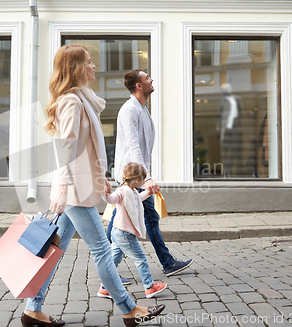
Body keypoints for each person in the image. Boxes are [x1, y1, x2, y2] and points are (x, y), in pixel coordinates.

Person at [21, 45, 165, 327]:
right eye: (88, 62)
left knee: (54, 250)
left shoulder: (82, 100)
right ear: (76, 68)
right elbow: (68, 150)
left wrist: (103, 179)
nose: (94, 66)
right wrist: (62, 190)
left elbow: (88, 150)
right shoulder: (72, 102)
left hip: (80, 188)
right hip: (74, 192)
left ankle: (32, 308)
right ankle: (129, 308)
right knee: (101, 249)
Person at [107, 69, 194, 277]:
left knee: (129, 221)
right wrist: (146, 179)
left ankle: (109, 269)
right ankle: (110, 269)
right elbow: (134, 145)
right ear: (139, 85)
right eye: (147, 78)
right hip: (131, 177)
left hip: (136, 176)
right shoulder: (130, 110)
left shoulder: (142, 109)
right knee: (123, 224)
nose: (151, 79)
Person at [98, 162, 168, 300]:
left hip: (119, 232)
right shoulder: (122, 190)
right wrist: (105, 192)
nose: (144, 181)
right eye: (143, 179)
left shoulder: (132, 191)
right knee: (140, 259)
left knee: (113, 261)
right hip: (124, 233)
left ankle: (104, 288)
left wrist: (148, 193)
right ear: (137, 180)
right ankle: (149, 287)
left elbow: (137, 200)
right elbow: (111, 199)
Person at [217, 83, 242, 177]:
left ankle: (232, 172)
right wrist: (219, 128)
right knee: (225, 150)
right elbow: (219, 116)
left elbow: (240, 113)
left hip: (235, 127)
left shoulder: (237, 100)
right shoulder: (222, 101)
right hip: (226, 128)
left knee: (234, 150)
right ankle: (226, 172)